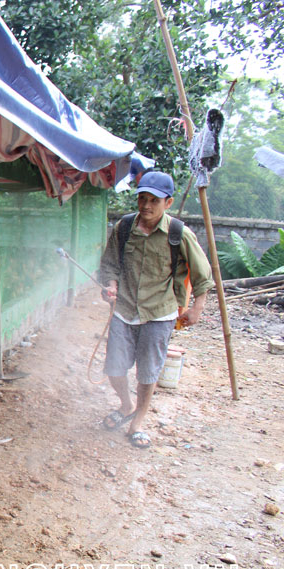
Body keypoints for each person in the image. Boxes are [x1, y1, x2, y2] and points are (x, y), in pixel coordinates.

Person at [97, 171, 213, 448]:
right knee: (114, 368)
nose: (146, 206)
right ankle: (126, 405)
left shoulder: (179, 234)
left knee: (147, 373)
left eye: (154, 201)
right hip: (124, 310)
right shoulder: (124, 228)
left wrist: (196, 308)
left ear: (168, 203)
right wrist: (110, 285)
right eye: (142, 199)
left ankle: (137, 423)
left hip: (159, 313)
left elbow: (203, 275)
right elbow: (109, 265)